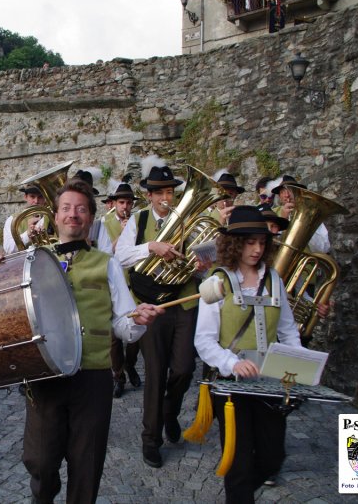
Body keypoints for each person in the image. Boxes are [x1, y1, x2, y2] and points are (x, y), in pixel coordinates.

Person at [0, 179, 163, 503]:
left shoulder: (108, 265)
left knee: (86, 466)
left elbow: (122, 322)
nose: (73, 214)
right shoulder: (32, 258)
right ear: (56, 215)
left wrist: (140, 322)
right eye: (66, 208)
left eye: (80, 209)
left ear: (90, 218)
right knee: (40, 460)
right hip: (46, 373)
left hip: (93, 377)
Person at [193, 205, 303, 503]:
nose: (257, 249)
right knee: (239, 462)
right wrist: (233, 363)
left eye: (262, 242)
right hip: (231, 386)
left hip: (268, 383)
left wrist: (301, 365)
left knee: (272, 456)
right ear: (235, 243)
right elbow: (203, 341)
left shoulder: (274, 279)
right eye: (250, 242)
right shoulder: (215, 282)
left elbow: (289, 331)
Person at [115, 165, 211, 468]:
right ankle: (150, 439)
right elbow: (120, 256)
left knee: (183, 368)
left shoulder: (190, 221)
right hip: (151, 307)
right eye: (160, 193)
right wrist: (152, 247)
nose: (166, 198)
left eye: (170, 192)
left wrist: (201, 265)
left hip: (183, 302)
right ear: (150, 195)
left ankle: (170, 411)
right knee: (155, 375)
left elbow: (207, 261)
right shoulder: (139, 220)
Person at [96, 183, 141, 398]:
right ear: (114, 204)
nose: (125, 207)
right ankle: (119, 376)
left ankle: (130, 365)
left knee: (135, 337)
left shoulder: (137, 222)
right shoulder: (104, 224)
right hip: (114, 284)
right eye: (122, 202)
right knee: (114, 338)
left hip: (134, 285)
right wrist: (121, 237)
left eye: (129, 203)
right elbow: (104, 255)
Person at [271, 175, 330, 254]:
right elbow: (270, 245)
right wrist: (282, 222)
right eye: (282, 192)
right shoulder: (272, 214)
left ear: (299, 193)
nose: (287, 195)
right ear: (279, 196)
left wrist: (306, 223)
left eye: (291, 190)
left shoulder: (311, 213)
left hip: (306, 264)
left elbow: (323, 249)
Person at [2, 183, 46, 254]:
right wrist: (27, 234)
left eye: (40, 197)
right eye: (32, 197)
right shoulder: (13, 219)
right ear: (25, 197)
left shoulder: (52, 215)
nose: (36, 201)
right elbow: (8, 248)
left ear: (45, 198)